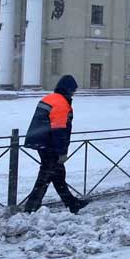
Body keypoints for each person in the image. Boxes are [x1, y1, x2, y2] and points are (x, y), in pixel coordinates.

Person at [24, 75, 89, 214]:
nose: (73, 94)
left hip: (41, 140)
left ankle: (72, 203)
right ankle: (31, 208)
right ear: (68, 90)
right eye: (73, 91)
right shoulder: (60, 104)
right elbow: (59, 130)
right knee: (45, 176)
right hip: (49, 144)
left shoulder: (50, 98)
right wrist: (61, 152)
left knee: (57, 174)